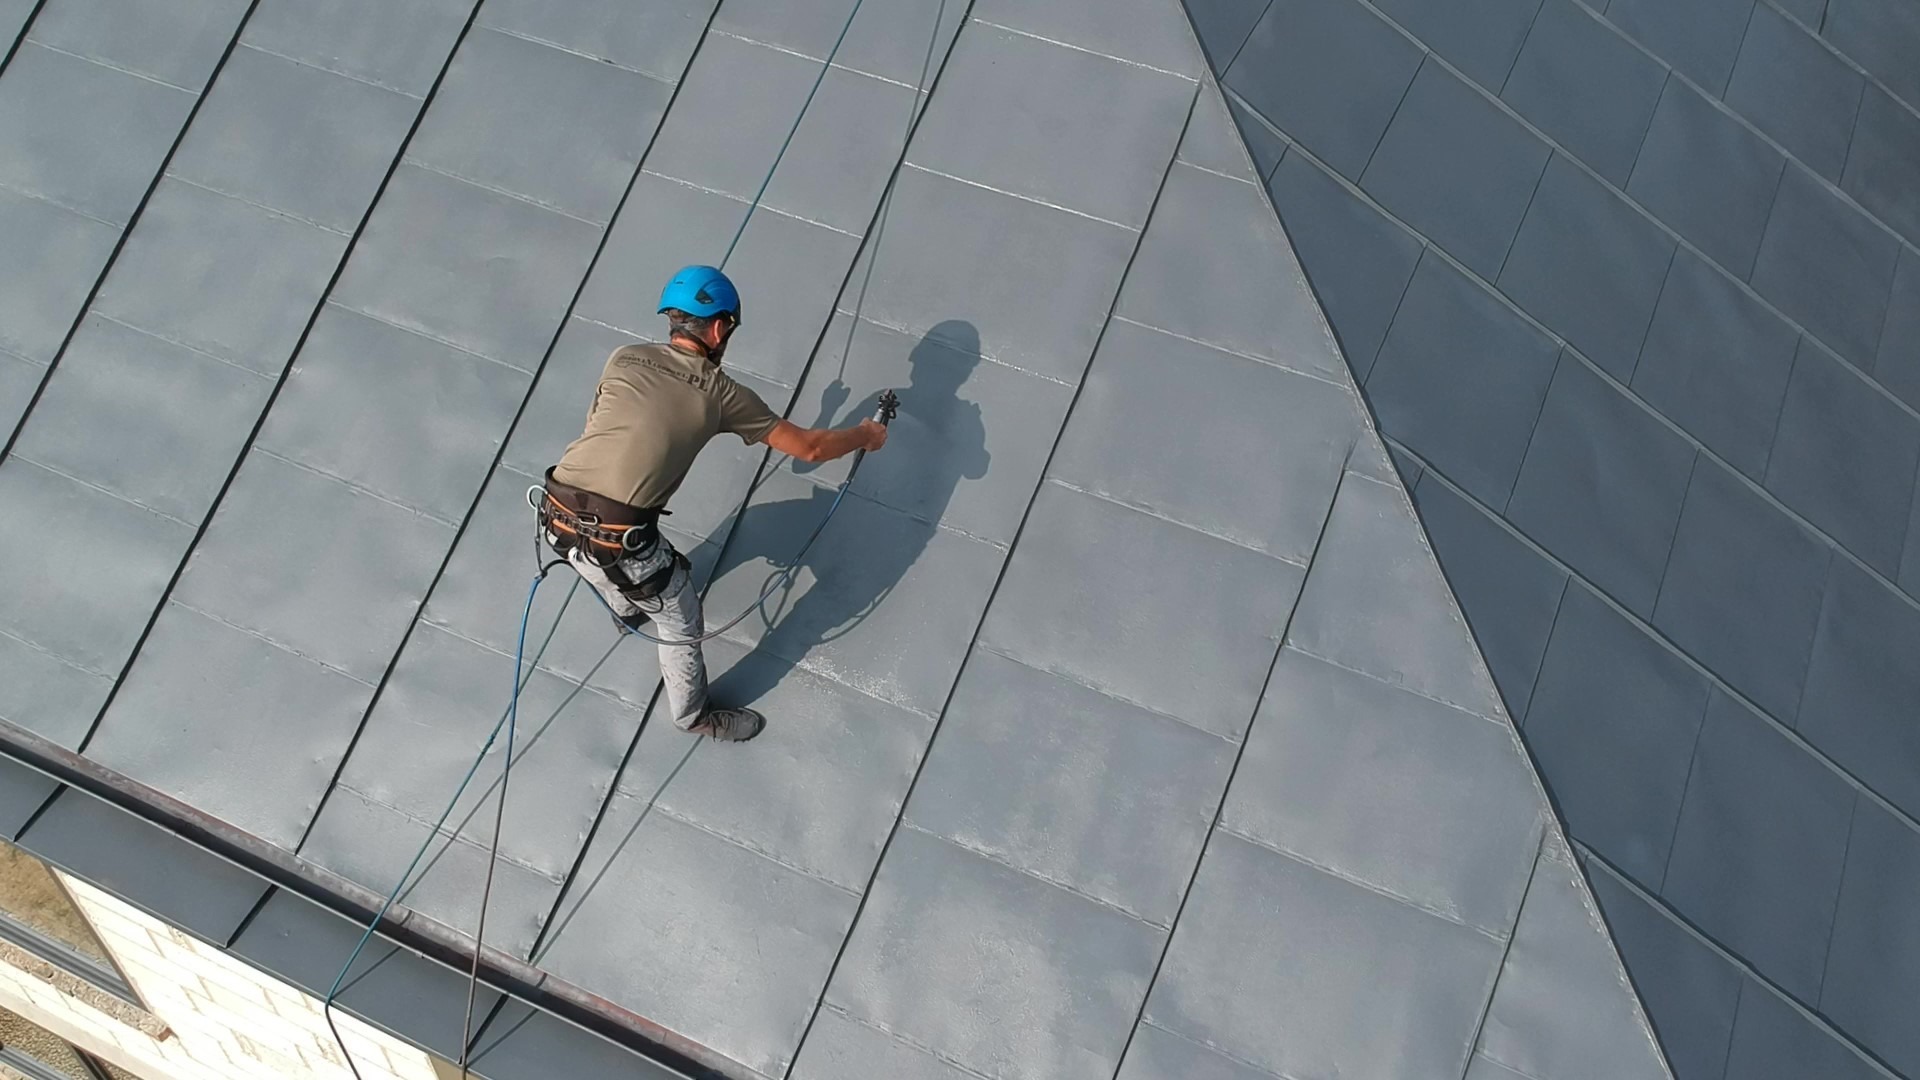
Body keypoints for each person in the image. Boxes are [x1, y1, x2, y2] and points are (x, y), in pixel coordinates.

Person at [538, 266, 888, 742]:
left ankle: (625, 610)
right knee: (679, 614)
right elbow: (809, 450)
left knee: (596, 556)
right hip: (623, 540)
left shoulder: (625, 357)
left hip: (555, 516)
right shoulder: (721, 393)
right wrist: (866, 435)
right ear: (720, 327)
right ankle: (692, 716)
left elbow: (599, 430)